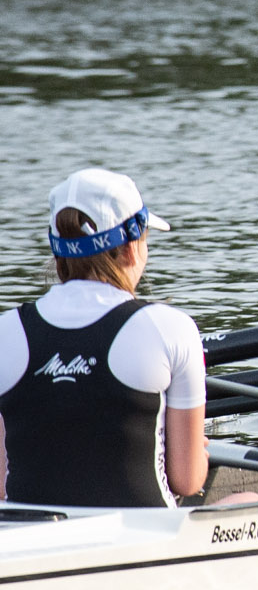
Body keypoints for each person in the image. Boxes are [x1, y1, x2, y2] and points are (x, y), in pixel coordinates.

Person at [0, 170, 207, 509]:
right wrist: (197, 453)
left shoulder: (5, 332)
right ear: (130, 249)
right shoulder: (171, 328)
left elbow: (2, 485)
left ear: (59, 254)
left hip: (33, 546)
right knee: (251, 498)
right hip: (144, 540)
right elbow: (187, 479)